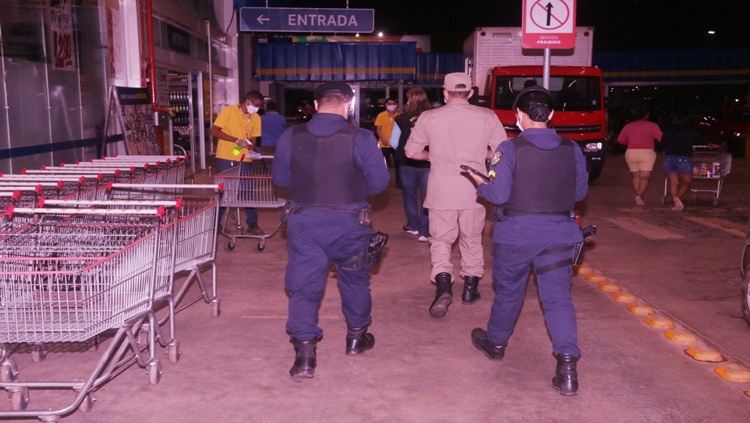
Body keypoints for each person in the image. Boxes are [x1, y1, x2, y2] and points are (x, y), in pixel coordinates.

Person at [466, 86, 589, 396]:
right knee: (558, 298)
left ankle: (495, 344)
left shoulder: (509, 149)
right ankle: (567, 365)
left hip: (516, 235)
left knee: (509, 292)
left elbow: (498, 195)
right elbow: (579, 194)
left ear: (518, 117)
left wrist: (479, 181)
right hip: (560, 233)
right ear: (550, 116)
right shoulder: (571, 148)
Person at [271, 81, 390, 379]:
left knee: (303, 286)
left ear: (316, 103)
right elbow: (379, 183)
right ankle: (356, 338)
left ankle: (305, 356)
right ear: (348, 105)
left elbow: (281, 178)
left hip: (305, 221)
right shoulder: (362, 137)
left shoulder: (290, 135)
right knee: (355, 281)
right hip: (349, 222)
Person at [404, 72, 507, 318]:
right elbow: (502, 153)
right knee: (472, 239)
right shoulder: (487, 116)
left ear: (445, 93)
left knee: (441, 240)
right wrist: (479, 155)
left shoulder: (429, 117)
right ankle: (470, 289)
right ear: (471, 93)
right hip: (475, 190)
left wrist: (433, 156)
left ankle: (443, 287)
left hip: (441, 191)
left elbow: (410, 152)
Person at [210, 90, 265, 235]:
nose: (257, 109)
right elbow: (214, 131)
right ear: (248, 102)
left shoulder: (256, 117)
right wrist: (235, 140)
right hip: (226, 157)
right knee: (225, 191)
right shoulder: (228, 112)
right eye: (256, 105)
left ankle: (252, 223)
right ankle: (217, 223)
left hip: (244, 158)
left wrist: (251, 149)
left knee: (247, 190)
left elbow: (254, 138)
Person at [392, 87, 432, 241]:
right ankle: (424, 230)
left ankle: (413, 226)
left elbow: (394, 142)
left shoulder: (401, 118)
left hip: (406, 162)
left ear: (410, 100)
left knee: (409, 195)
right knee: (427, 196)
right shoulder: (433, 117)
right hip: (427, 162)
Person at [616, 105, 663, 206]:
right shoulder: (652, 125)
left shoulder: (628, 126)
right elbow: (661, 138)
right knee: (645, 176)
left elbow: (620, 140)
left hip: (631, 152)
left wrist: (630, 141)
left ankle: (639, 197)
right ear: (646, 115)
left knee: (636, 176)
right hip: (647, 153)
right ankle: (640, 195)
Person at [661, 112, 707, 211]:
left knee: (674, 182)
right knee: (687, 181)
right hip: (684, 159)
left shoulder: (667, 132)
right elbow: (703, 142)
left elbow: (662, 145)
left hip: (669, 158)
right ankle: (678, 197)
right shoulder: (690, 132)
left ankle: (675, 202)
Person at [375, 97, 399, 168]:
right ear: (386, 105)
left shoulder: (399, 116)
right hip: (384, 144)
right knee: (383, 165)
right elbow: (378, 130)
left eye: (393, 104)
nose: (392, 105)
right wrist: (382, 139)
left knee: (398, 165)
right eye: (390, 104)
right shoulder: (381, 115)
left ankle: (398, 179)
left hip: (396, 145)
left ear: (396, 105)